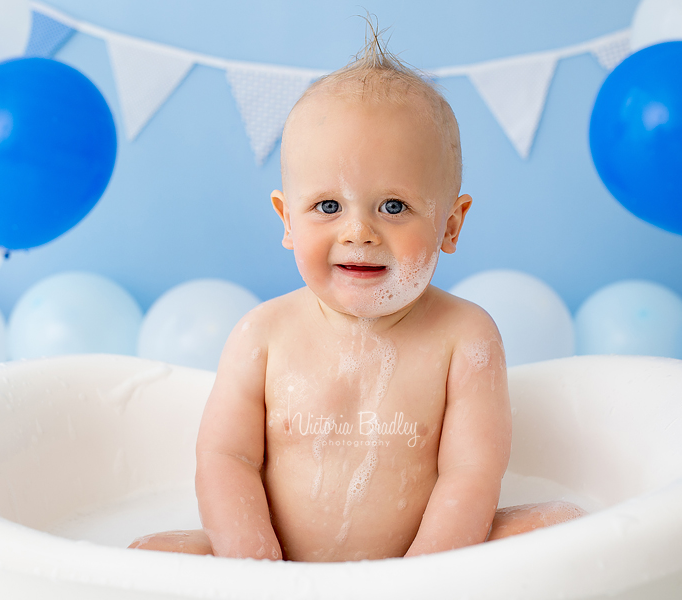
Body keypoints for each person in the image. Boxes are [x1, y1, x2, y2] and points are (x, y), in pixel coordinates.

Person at [129, 25, 585, 562]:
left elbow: (471, 474)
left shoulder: (465, 338)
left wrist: (419, 578)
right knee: (145, 554)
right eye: (327, 207)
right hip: (277, 567)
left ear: (450, 226)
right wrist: (254, 567)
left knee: (564, 526)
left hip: (422, 567)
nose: (358, 233)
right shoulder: (264, 335)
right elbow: (226, 458)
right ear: (287, 220)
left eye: (393, 207)